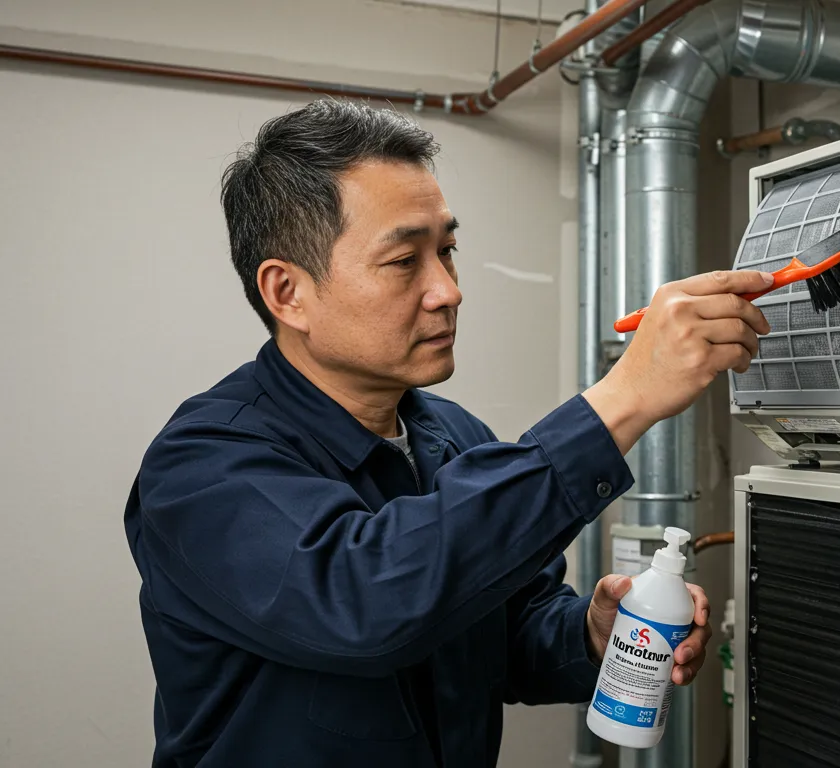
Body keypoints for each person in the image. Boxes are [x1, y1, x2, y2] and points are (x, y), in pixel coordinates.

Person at [122, 99, 774, 767]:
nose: (448, 290)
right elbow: (368, 603)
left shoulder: (455, 436)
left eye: (448, 251)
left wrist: (588, 636)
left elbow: (505, 629)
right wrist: (623, 398)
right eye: (405, 261)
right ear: (288, 293)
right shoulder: (204, 464)